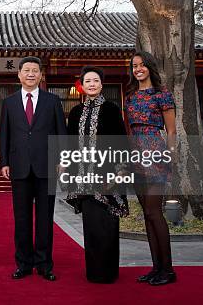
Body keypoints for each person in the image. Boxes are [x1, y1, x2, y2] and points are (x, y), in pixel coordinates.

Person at [0, 56, 67, 282]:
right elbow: (5, 135)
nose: (30, 74)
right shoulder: (9, 103)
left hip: (47, 166)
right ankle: (24, 264)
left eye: (34, 70)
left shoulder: (53, 101)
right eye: (26, 70)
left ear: (41, 75)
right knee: (22, 219)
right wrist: (4, 163)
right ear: (18, 74)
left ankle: (45, 264)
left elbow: (61, 134)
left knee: (46, 218)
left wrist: (62, 159)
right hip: (19, 167)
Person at [66, 66, 129, 283]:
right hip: (83, 176)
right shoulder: (75, 113)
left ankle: (109, 272)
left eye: (95, 81)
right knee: (91, 225)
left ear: (101, 84)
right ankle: (94, 271)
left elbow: (121, 141)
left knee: (108, 223)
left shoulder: (112, 109)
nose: (92, 84)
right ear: (81, 86)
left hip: (107, 174)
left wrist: (120, 171)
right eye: (87, 81)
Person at [124, 51, 177, 286]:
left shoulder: (162, 94)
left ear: (150, 67)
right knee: (146, 213)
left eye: (142, 65)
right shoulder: (130, 96)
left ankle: (168, 269)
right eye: (135, 66)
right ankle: (156, 268)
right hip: (135, 153)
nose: (138, 69)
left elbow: (172, 131)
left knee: (155, 211)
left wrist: (170, 155)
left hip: (155, 151)